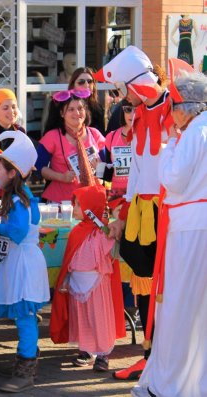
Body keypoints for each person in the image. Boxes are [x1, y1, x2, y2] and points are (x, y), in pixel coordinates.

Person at [94, 46, 174, 381]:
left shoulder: (177, 108)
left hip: (169, 212)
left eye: (121, 90)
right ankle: (149, 355)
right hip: (141, 210)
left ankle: (169, 358)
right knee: (143, 285)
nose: (120, 100)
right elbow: (139, 171)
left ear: (135, 84)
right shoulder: (140, 115)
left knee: (169, 287)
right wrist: (123, 216)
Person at [132, 64, 207, 397]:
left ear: (184, 109)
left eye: (173, 107)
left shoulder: (194, 133)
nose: (170, 114)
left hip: (189, 230)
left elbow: (173, 179)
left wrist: (167, 149)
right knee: (196, 309)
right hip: (194, 225)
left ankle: (172, 382)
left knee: (178, 306)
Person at [0, 131, 49, 393]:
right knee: (25, 317)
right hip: (22, 261)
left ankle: (26, 369)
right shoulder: (20, 196)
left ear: (13, 173)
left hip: (23, 264)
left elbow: (16, 231)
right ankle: (24, 360)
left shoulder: (18, 200)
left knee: (25, 317)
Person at [50, 181, 125, 372]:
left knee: (98, 317)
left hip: (97, 285)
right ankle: (86, 350)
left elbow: (114, 247)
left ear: (90, 208)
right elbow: (69, 260)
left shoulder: (102, 232)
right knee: (81, 318)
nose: (74, 207)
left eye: (78, 204)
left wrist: (111, 226)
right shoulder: (76, 231)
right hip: (77, 285)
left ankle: (103, 353)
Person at [34, 88, 105, 203]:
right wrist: (61, 177)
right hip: (61, 201)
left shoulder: (95, 134)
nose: (77, 113)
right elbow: (38, 167)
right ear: (62, 113)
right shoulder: (52, 136)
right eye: (71, 109)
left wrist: (100, 171)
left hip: (91, 198)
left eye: (80, 108)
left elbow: (109, 167)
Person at [103, 100, 134, 199]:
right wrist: (98, 166)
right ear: (122, 111)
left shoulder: (147, 136)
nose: (132, 114)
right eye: (128, 110)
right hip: (117, 196)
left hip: (138, 194)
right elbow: (108, 173)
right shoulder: (111, 137)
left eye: (137, 110)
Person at [68, 67, 106, 135]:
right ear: (73, 86)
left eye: (90, 81)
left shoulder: (98, 108)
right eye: (81, 82)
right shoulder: (62, 105)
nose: (86, 85)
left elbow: (101, 137)